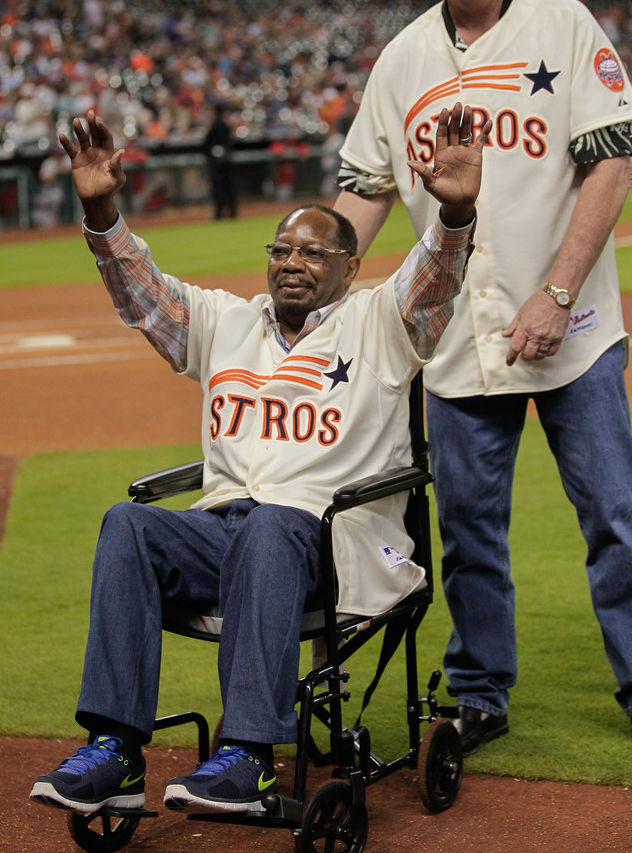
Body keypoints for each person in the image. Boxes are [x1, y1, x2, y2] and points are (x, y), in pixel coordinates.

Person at [30, 102, 490, 816]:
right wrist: (102, 216)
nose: (292, 264)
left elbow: (435, 279)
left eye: (312, 253)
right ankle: (116, 751)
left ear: (351, 266)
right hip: (227, 535)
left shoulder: (381, 322)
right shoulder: (223, 322)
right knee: (128, 523)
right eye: (281, 251)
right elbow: (142, 295)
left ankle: (249, 756)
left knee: (274, 523)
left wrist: (454, 219)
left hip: (329, 543)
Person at [334, 0, 632, 767]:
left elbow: (612, 165)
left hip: (571, 331)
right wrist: (315, 281)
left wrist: (557, 290)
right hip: (456, 339)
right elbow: (365, 189)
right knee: (468, 534)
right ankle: (481, 691)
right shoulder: (403, 57)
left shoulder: (562, 24)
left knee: (613, 514)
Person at [204, 103, 237, 219]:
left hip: (216, 160)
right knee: (229, 187)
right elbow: (232, 142)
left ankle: (219, 213)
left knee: (218, 188)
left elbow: (206, 143)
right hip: (227, 159)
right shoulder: (227, 125)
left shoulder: (213, 125)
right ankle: (233, 212)